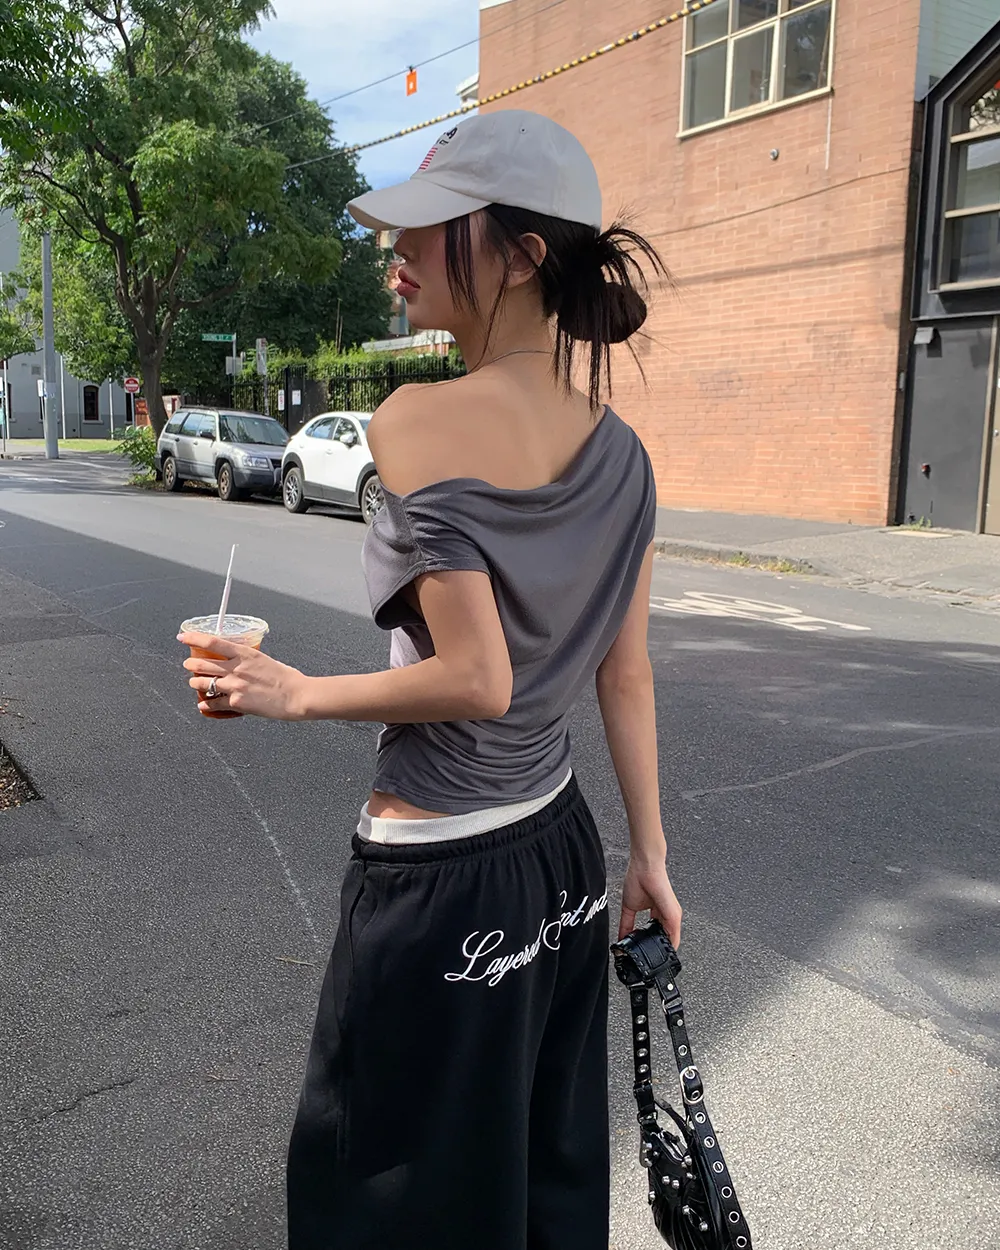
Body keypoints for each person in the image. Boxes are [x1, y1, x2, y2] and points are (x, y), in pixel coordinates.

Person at [179, 109, 683, 1250]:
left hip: (440, 878)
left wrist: (292, 691)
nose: (395, 252)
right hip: (560, 853)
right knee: (534, 1173)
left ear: (522, 255)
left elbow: (477, 676)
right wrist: (647, 858)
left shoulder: (415, 418)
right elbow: (628, 675)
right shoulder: (625, 454)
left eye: (431, 227)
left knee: (383, 1191)